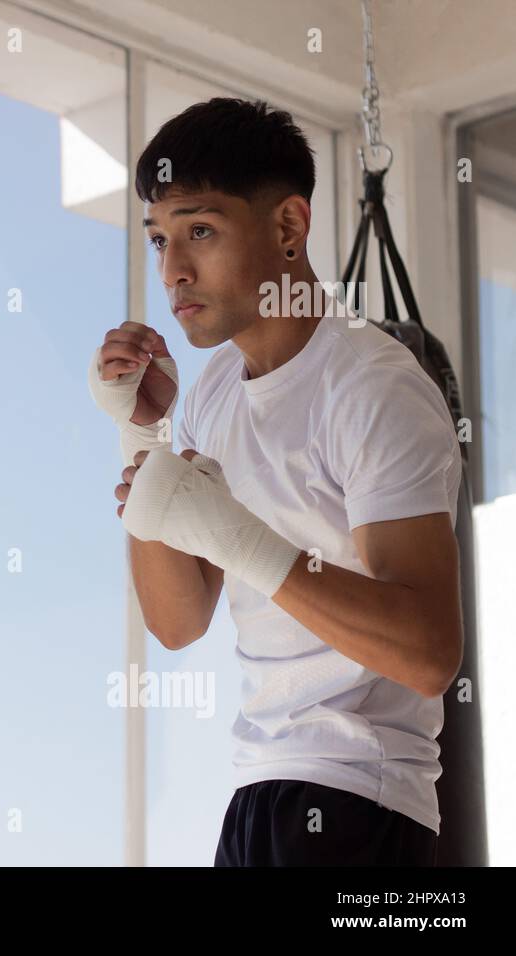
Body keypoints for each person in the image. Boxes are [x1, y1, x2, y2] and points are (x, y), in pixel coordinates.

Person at [88, 97, 462, 867]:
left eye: (200, 230)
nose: (173, 270)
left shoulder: (370, 387)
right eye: (159, 239)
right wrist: (143, 434)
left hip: (362, 799)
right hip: (258, 789)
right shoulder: (218, 391)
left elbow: (429, 652)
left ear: (289, 228)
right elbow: (178, 621)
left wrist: (235, 534)